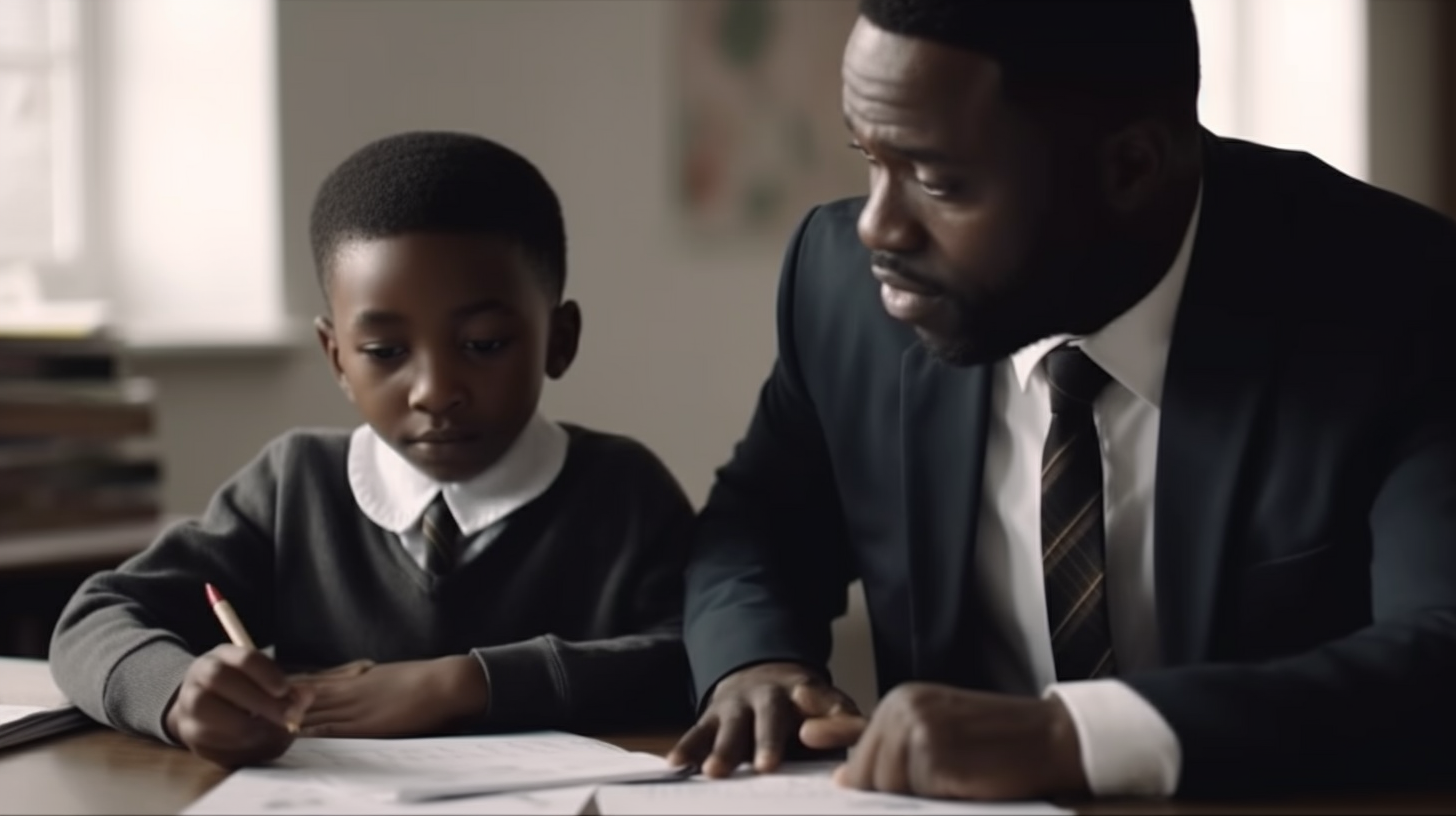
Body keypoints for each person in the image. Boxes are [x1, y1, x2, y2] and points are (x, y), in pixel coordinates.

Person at [669, 0, 1456, 802]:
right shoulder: (842, 290)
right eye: (868, 157)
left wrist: (1073, 735)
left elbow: (1439, 654)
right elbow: (757, 521)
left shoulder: (1406, 297)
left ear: (1130, 167)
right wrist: (755, 663)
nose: (877, 226)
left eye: (936, 179)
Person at [49, 131, 696, 767]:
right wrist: (177, 694)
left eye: (485, 344)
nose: (435, 392)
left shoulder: (622, 491)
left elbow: (702, 654)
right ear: (336, 356)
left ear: (560, 339)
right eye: (385, 352)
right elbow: (94, 620)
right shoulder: (294, 486)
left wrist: (462, 685)